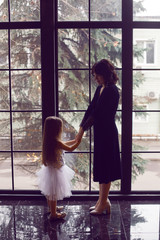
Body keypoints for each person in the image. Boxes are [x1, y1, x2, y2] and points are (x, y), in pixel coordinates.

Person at [76, 59, 121, 215]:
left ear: (106, 74)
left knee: (106, 168)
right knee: (102, 168)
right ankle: (103, 201)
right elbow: (91, 109)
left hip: (108, 133)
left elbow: (98, 114)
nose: (95, 78)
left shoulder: (112, 90)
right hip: (101, 133)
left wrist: (82, 132)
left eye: (97, 75)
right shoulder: (100, 89)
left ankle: (102, 203)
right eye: (94, 75)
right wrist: (81, 127)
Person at [37, 116, 81, 221]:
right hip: (56, 171)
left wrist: (73, 140)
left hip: (50, 169)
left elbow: (64, 145)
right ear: (57, 129)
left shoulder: (50, 140)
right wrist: (78, 142)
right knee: (54, 193)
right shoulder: (57, 142)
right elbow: (70, 149)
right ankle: (54, 214)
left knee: (50, 192)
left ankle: (52, 208)